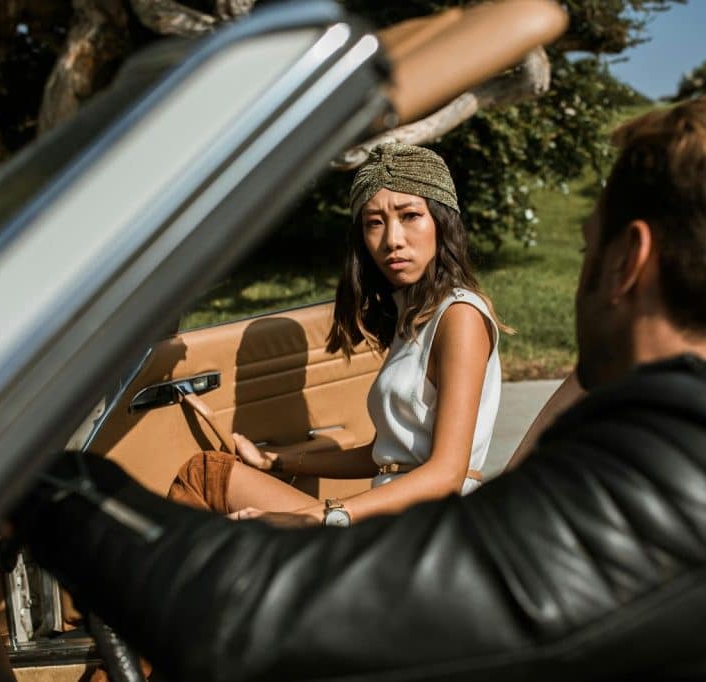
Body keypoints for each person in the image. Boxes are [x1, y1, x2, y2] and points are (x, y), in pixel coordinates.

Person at [16, 97, 706, 681]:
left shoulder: (701, 469)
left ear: (629, 260)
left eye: (587, 241)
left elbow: (255, 613)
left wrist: (48, 486)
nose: (578, 265)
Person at [167, 142, 508, 527]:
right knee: (211, 473)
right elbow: (384, 454)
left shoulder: (459, 315)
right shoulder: (413, 320)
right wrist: (276, 460)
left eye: (410, 215)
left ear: (441, 222)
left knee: (205, 478)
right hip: (392, 513)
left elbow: (446, 473)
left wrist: (324, 514)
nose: (392, 239)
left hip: (427, 528)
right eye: (374, 222)